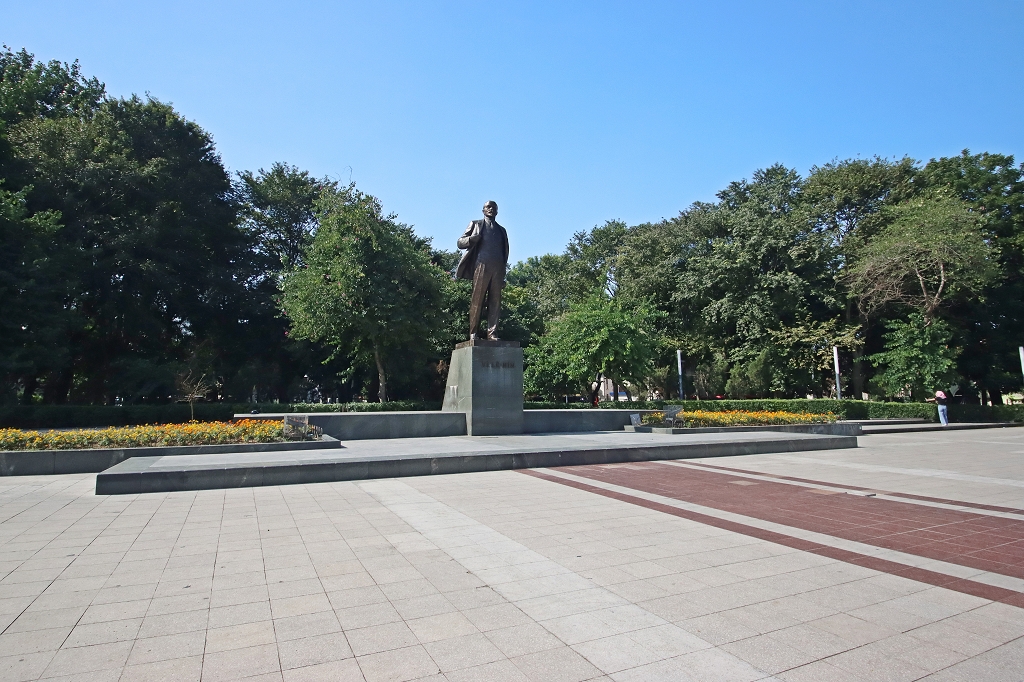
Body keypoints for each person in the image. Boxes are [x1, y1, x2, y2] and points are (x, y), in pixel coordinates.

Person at [455, 201, 510, 340]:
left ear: (497, 211)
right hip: (481, 266)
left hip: (497, 268)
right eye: (488, 207)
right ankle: (473, 332)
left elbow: (504, 253)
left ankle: (492, 333)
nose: (491, 209)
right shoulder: (475, 224)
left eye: (494, 208)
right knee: (477, 300)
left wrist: (503, 274)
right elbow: (460, 242)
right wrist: (471, 239)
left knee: (495, 302)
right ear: (483, 210)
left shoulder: (502, 230)